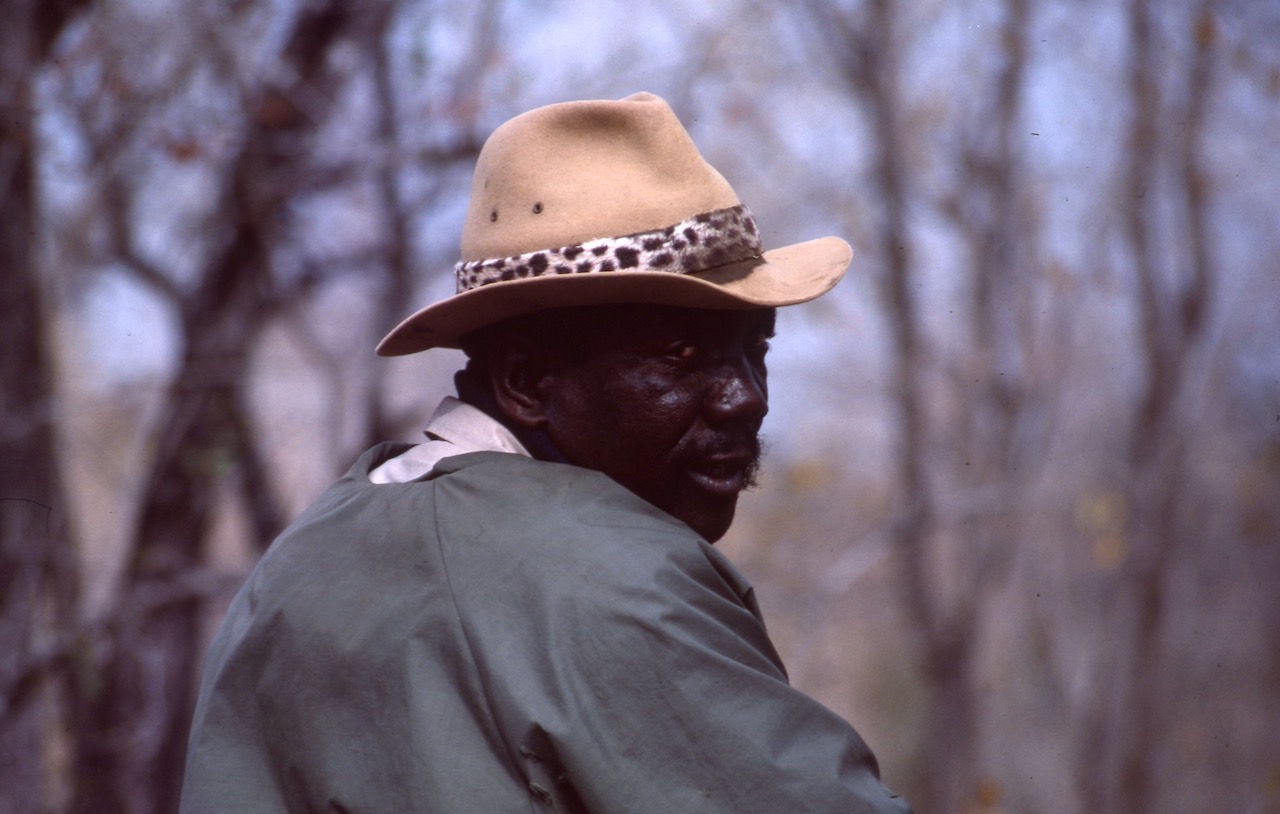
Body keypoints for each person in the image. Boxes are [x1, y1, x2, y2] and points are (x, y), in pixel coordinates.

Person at [180, 92, 911, 813]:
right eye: (683, 354)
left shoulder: (296, 562)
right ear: (526, 382)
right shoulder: (618, 580)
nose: (745, 398)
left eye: (756, 351)